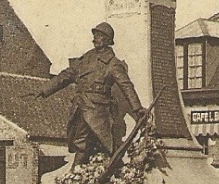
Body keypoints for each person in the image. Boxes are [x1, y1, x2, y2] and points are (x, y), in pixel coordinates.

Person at [36, 22, 147, 165]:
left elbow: (126, 86)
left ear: (108, 40)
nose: (95, 38)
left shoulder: (113, 63)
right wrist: (45, 90)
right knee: (81, 140)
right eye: (94, 35)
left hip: (98, 108)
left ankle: (110, 167)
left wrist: (137, 108)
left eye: (99, 36)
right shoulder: (86, 59)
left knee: (102, 140)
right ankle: (77, 172)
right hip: (81, 104)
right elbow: (67, 75)